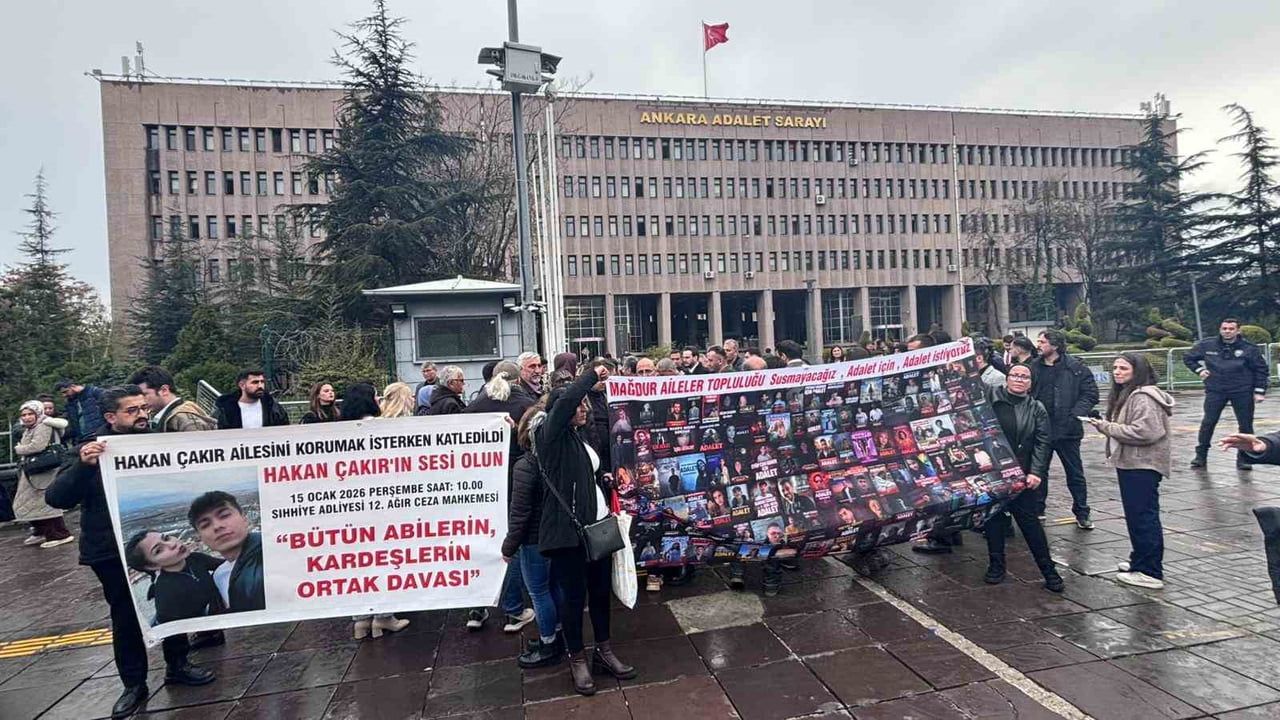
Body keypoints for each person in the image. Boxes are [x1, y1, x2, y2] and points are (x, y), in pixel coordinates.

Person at [46, 386, 215, 718]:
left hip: (152, 542)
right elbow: (56, 498)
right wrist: (84, 466)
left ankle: (177, 663)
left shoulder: (157, 442)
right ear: (111, 417)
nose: (142, 415)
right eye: (132, 411)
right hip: (109, 550)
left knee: (175, 604)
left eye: (143, 409)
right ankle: (133, 684)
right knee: (125, 617)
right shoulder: (88, 449)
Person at [531, 364, 634, 695]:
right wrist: (592, 372)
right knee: (573, 599)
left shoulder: (576, 437)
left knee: (601, 594)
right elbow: (565, 401)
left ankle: (604, 651)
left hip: (597, 530)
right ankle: (577, 659)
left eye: (585, 406)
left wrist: (600, 479)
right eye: (578, 406)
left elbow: (582, 473)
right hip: (568, 535)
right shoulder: (550, 434)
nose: (583, 410)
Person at [1087, 353, 1174, 590]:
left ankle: (1150, 571)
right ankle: (1140, 561)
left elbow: (1146, 432)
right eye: (1115, 367)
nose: (1117, 372)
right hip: (1132, 464)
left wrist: (1106, 427)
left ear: (1138, 371)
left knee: (1144, 517)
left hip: (1142, 465)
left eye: (1123, 368)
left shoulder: (1144, 397)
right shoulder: (1130, 394)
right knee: (1137, 517)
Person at [463, 362, 536, 633]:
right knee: (512, 543)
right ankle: (514, 609)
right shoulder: (525, 404)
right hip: (513, 482)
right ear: (518, 380)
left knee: (479, 540)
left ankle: (477, 608)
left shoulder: (473, 406)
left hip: (479, 486)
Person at [982, 365, 1064, 592]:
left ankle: (1049, 571)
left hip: (1021, 473)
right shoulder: (991, 395)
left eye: (1024, 376)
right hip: (993, 472)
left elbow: (1042, 442)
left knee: (1030, 524)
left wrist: (1036, 472)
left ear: (1031, 382)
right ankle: (996, 566)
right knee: (994, 520)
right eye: (1014, 375)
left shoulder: (1036, 408)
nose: (1019, 379)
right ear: (1006, 378)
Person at [502, 400, 564, 668]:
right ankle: (559, 633)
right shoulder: (559, 459)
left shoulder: (525, 467)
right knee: (555, 587)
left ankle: (548, 642)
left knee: (538, 592)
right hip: (558, 536)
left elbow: (520, 514)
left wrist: (508, 547)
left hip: (533, 540)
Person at [1029, 329, 1099, 529]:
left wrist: (1075, 414)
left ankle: (1082, 511)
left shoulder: (1075, 367)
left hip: (1067, 430)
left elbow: (1090, 393)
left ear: (1055, 345)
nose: (1039, 345)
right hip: (1041, 429)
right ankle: (1038, 509)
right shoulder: (1034, 367)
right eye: (1038, 341)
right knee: (1038, 471)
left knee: (1075, 473)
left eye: (1042, 342)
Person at [1184, 318, 1268, 470]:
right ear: (1220, 329)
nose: (1227, 331)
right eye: (1224, 328)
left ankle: (1244, 458)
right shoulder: (1207, 345)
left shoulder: (1249, 348)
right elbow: (1188, 357)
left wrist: (1259, 391)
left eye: (1231, 328)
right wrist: (1199, 370)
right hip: (1216, 389)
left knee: (1245, 425)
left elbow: (1261, 369)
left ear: (1238, 331)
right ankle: (1201, 455)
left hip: (1242, 390)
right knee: (1208, 422)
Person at [124, 530, 224, 625]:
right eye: (159, 550)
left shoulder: (195, 559)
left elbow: (228, 565)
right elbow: (170, 629)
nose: (172, 544)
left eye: (166, 538)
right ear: (152, 566)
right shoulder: (166, 591)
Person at [14, 400, 75, 548]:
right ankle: (40, 531)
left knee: (45, 503)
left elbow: (37, 446)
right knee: (29, 502)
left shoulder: (43, 426)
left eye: (30, 414)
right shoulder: (31, 428)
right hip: (35, 471)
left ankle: (58, 534)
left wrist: (19, 449)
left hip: (44, 471)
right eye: (24, 415)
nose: (27, 417)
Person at [130, 366, 217, 432]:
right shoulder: (173, 416)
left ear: (164, 390)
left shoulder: (183, 418)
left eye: (144, 394)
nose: (141, 401)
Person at [214, 369, 289, 429]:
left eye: (262, 382)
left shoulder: (274, 409)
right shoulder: (225, 410)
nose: (260, 386)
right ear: (242, 385)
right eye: (255, 382)